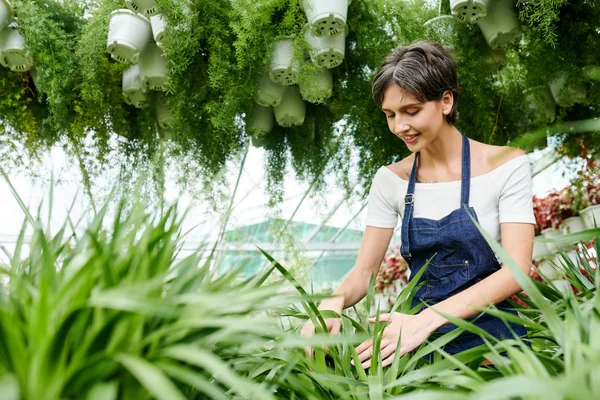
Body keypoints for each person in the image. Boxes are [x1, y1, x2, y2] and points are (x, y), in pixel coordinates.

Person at [301, 41, 535, 369]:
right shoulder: (391, 180)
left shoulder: (506, 164)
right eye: (390, 115)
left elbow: (516, 272)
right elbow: (363, 274)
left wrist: (425, 321)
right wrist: (332, 303)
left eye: (411, 111)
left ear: (446, 101)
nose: (399, 127)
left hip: (496, 347)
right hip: (417, 348)